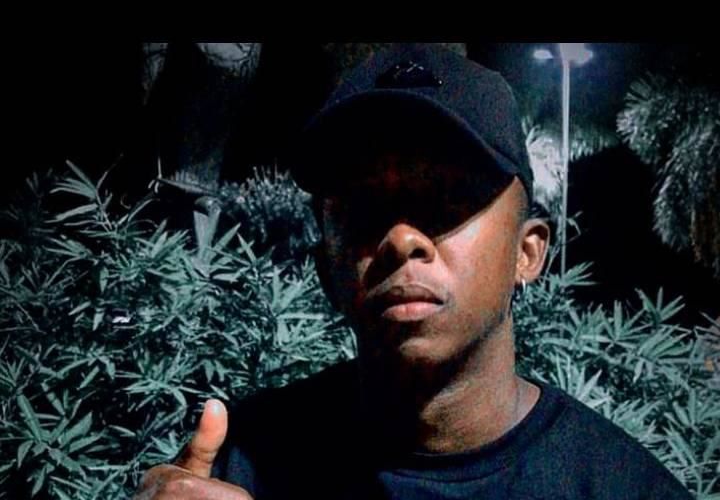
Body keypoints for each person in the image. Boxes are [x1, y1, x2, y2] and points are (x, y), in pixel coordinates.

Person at [134, 44, 692, 499]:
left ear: (527, 253)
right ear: (326, 270)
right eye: (362, 207)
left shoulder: (624, 489)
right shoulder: (245, 464)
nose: (401, 239)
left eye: (447, 196)